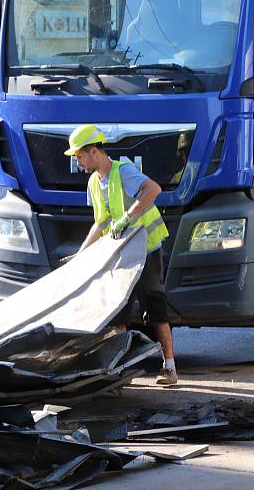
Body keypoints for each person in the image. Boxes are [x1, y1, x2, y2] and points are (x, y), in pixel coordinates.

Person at [64, 124, 178, 386]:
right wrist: (81, 254)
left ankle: (169, 367)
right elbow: (101, 222)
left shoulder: (122, 171)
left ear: (94, 151)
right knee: (119, 313)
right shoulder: (94, 182)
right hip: (121, 253)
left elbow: (153, 190)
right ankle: (119, 371)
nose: (78, 162)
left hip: (146, 249)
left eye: (79, 156)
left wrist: (128, 217)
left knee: (155, 308)